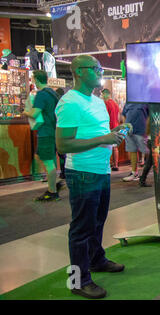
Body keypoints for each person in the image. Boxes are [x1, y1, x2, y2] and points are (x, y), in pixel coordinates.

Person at [55, 55, 131, 299]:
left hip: (101, 171)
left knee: (97, 222)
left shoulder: (97, 101)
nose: (100, 72)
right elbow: (63, 144)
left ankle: (96, 260)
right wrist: (104, 139)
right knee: (81, 228)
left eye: (100, 68)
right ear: (78, 72)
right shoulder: (70, 102)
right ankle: (78, 280)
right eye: (95, 68)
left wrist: (114, 133)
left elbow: (98, 133)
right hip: (82, 173)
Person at [22, 70, 63, 201]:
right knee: (45, 158)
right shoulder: (53, 94)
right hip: (54, 131)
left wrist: (25, 112)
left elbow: (34, 113)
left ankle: (52, 191)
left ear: (36, 80)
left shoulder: (41, 95)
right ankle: (53, 183)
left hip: (45, 132)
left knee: (48, 162)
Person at [121, 103, 149, 181]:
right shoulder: (128, 103)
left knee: (147, 151)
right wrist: (125, 127)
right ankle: (134, 173)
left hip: (142, 131)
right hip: (129, 131)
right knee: (132, 151)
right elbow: (123, 114)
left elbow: (150, 116)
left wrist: (147, 130)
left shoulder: (144, 101)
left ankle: (152, 173)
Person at [101, 88, 120, 171]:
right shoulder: (115, 104)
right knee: (115, 147)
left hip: (108, 127)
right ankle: (115, 165)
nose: (102, 96)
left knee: (106, 147)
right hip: (116, 126)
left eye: (102, 95)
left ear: (105, 94)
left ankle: (107, 164)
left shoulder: (105, 103)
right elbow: (118, 117)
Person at [138, 116, 153, 187]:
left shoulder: (150, 118)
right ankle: (142, 179)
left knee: (149, 162)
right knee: (149, 162)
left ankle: (142, 179)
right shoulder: (156, 117)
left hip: (150, 141)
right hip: (154, 141)